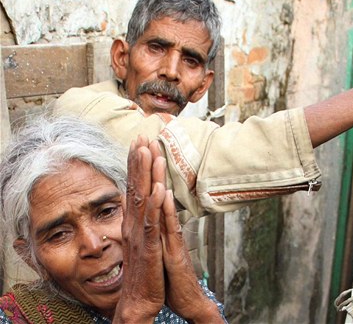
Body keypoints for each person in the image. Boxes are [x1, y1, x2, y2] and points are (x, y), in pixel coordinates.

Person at [52, 0, 353, 222]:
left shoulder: (169, 125)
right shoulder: (82, 111)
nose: (169, 71)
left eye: (189, 60)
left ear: (202, 86)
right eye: (155, 48)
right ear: (121, 58)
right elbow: (206, 158)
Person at [0, 116, 226, 323]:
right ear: (31, 258)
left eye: (106, 212)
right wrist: (136, 314)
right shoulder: (14, 319)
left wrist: (199, 309)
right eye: (59, 234)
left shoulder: (183, 293)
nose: (94, 245)